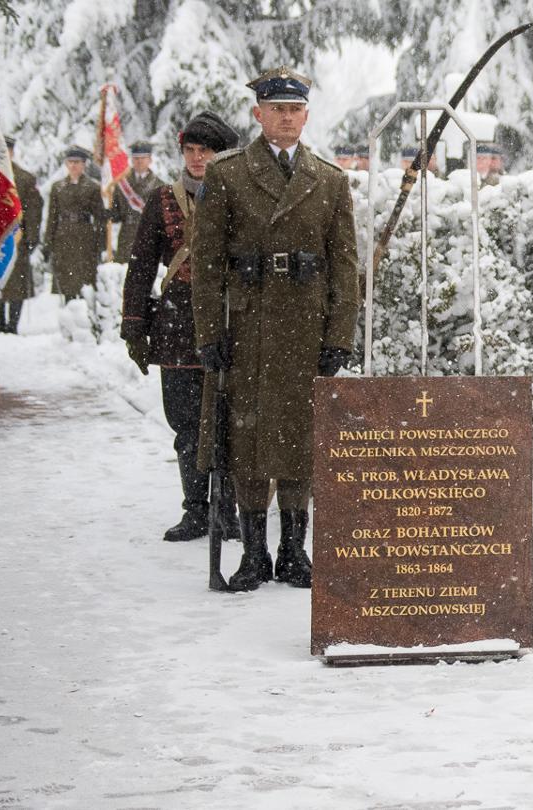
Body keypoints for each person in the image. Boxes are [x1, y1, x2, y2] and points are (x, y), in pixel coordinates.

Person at [191, 67, 361, 592]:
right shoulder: (227, 176)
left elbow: (344, 266)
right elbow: (208, 263)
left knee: (299, 441)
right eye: (276, 108)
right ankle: (254, 554)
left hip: (306, 329)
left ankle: (294, 551)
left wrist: (339, 338)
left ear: (306, 115)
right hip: (250, 328)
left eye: (295, 109)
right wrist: (208, 333)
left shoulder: (330, 180)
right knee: (246, 441)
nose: (286, 117)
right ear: (257, 113)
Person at [122, 112, 244, 545]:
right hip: (176, 327)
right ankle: (196, 511)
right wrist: (134, 326)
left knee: (229, 423)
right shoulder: (161, 200)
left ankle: (227, 512)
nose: (196, 159)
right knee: (187, 425)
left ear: (221, 154)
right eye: (190, 151)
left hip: (230, 324)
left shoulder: (240, 196)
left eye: (205, 151)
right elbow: (140, 267)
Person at [44, 147, 106, 300]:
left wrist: (100, 244)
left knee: (85, 281)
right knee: (66, 282)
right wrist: (48, 242)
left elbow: (100, 218)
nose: (73, 166)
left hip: (84, 237)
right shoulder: (57, 187)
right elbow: (52, 216)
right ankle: (68, 311)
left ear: (84, 164)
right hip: (63, 237)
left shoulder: (92, 187)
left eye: (77, 162)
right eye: (70, 162)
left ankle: (84, 314)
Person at [0, 137, 42, 333]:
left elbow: (33, 210)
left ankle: (12, 325)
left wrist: (31, 237)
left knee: (17, 283)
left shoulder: (24, 178)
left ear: (13, 152)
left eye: (8, 150)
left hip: (17, 236)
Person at [109, 142, 166, 264]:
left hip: (150, 236)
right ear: (131, 160)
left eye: (143, 158)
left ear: (150, 160)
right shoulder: (121, 185)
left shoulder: (160, 186)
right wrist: (107, 208)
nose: (139, 161)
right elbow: (115, 216)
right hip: (127, 237)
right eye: (136, 158)